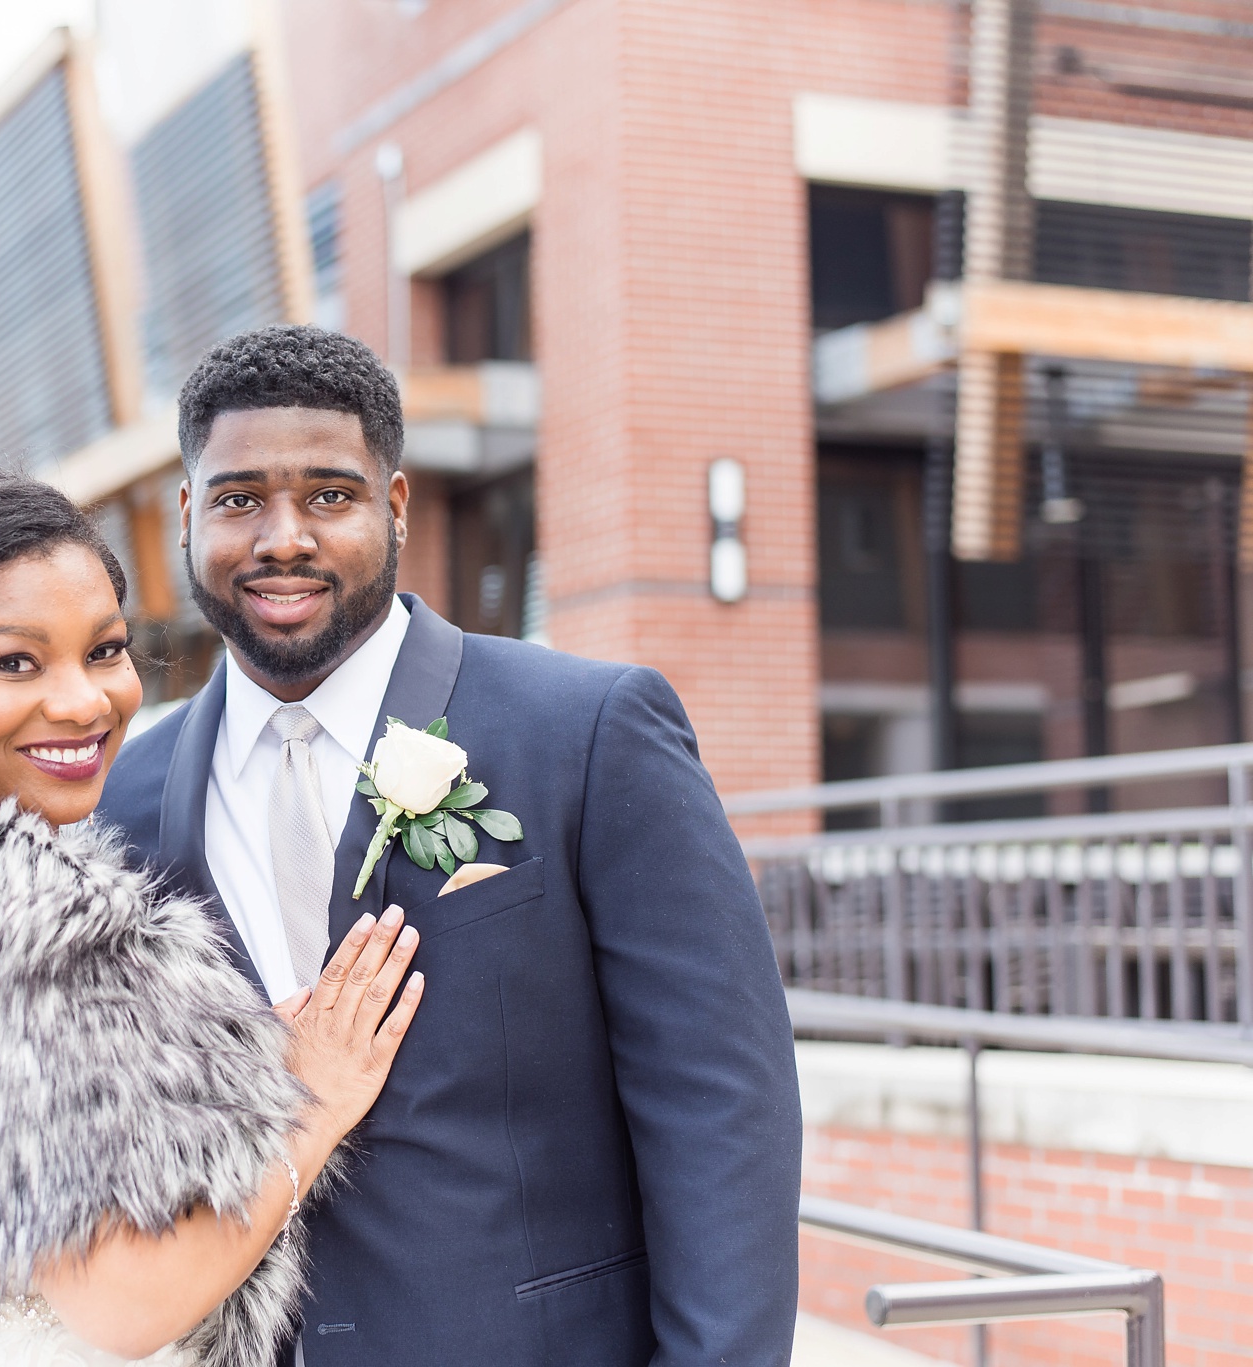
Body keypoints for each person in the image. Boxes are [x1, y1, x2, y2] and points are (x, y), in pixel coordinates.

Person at [95, 325, 803, 1366]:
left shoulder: (587, 729)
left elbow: (720, 1107)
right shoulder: (126, 801)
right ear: (189, 514)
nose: (281, 537)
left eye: (328, 496)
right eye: (240, 498)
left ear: (392, 506)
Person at [0, 462, 425, 1367]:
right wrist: (312, 1103)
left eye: (103, 650)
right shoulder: (3, 933)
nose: (82, 700)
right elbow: (125, 1304)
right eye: (15, 662)